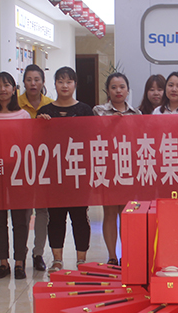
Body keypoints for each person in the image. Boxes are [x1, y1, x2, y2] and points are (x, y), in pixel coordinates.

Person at [36, 67, 94, 272]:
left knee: (80, 217)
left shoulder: (85, 110)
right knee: (56, 217)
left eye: (69, 81)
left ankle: (81, 260)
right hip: (54, 173)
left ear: (75, 84)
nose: (64, 85)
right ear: (54, 84)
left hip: (78, 172)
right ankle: (57, 260)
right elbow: (38, 142)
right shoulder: (44, 111)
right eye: (60, 81)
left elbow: (91, 140)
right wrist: (39, 125)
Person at [0, 72, 32, 280]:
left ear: (13, 89)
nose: (3, 89)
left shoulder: (23, 115)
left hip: (19, 174)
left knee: (21, 220)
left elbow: (30, 144)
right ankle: (3, 262)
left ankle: (20, 262)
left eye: (7, 85)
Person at [93, 72, 141, 264]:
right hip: (108, 167)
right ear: (107, 91)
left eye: (122, 87)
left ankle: (125, 255)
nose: (118, 91)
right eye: (113, 87)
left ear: (128, 90)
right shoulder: (99, 111)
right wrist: (110, 123)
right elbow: (93, 135)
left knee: (126, 213)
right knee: (110, 212)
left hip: (129, 167)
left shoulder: (136, 114)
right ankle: (112, 256)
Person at [18, 64, 52, 271]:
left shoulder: (50, 105)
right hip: (20, 165)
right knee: (23, 212)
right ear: (24, 82)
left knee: (42, 211)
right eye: (29, 79)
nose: (33, 83)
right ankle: (20, 254)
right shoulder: (15, 104)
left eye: (37, 79)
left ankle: (38, 253)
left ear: (42, 82)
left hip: (44, 165)